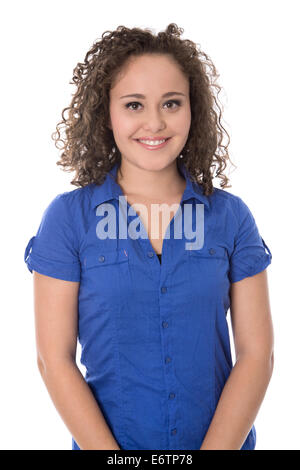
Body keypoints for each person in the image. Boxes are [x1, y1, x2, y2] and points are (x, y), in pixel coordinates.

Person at [24, 23, 274, 450]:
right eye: (134, 104)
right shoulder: (69, 219)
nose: (154, 122)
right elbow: (54, 360)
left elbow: (257, 356)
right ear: (106, 112)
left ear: (193, 110)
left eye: (171, 103)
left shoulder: (231, 218)